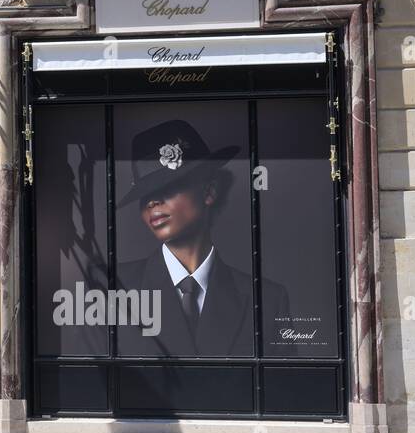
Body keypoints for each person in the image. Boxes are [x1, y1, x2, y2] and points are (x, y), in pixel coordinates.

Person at [116, 119, 287, 357]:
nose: (153, 202)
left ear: (209, 191)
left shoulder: (268, 300)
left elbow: (283, 388)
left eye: (167, 185)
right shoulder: (111, 289)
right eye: (144, 193)